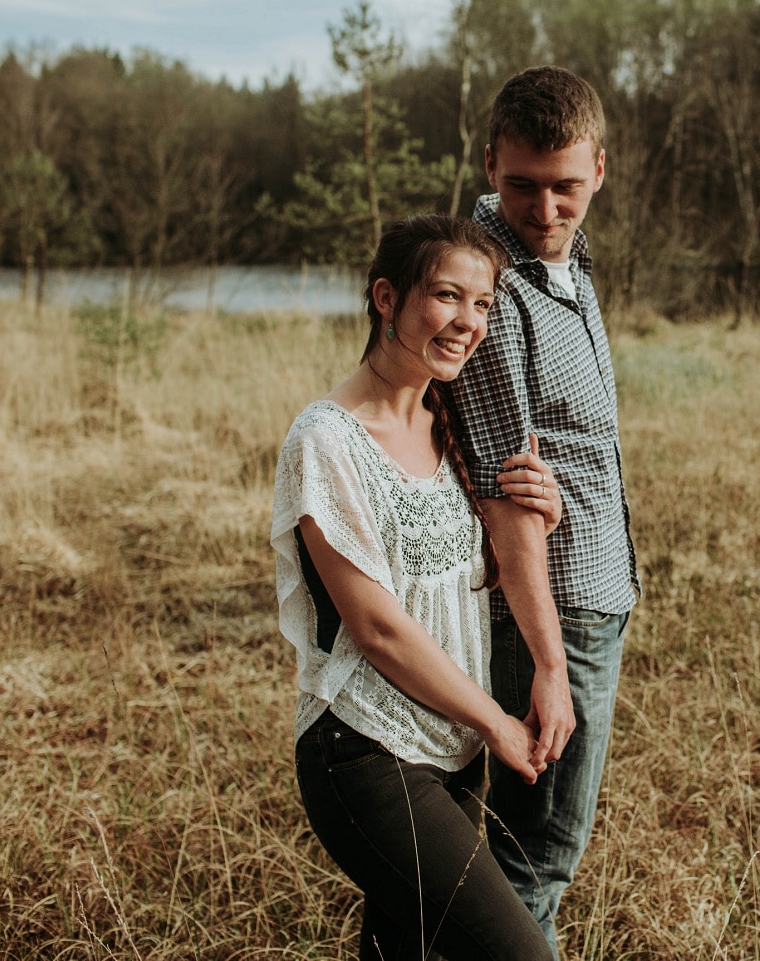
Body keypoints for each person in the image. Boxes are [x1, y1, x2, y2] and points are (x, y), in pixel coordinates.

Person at [271, 214, 571, 961]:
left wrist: (544, 514)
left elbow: (473, 572)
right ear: (386, 297)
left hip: (452, 748)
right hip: (365, 752)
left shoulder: (451, 422)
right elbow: (376, 627)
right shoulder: (326, 440)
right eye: (446, 296)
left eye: (483, 304)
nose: (468, 322)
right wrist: (499, 723)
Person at [450, 66, 640, 955]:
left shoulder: (570, 264)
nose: (546, 207)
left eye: (566, 186)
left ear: (599, 169)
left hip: (594, 592)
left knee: (533, 855)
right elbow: (504, 497)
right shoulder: (492, 285)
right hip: (545, 610)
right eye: (522, 184)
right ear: (490, 164)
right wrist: (549, 663)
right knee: (535, 860)